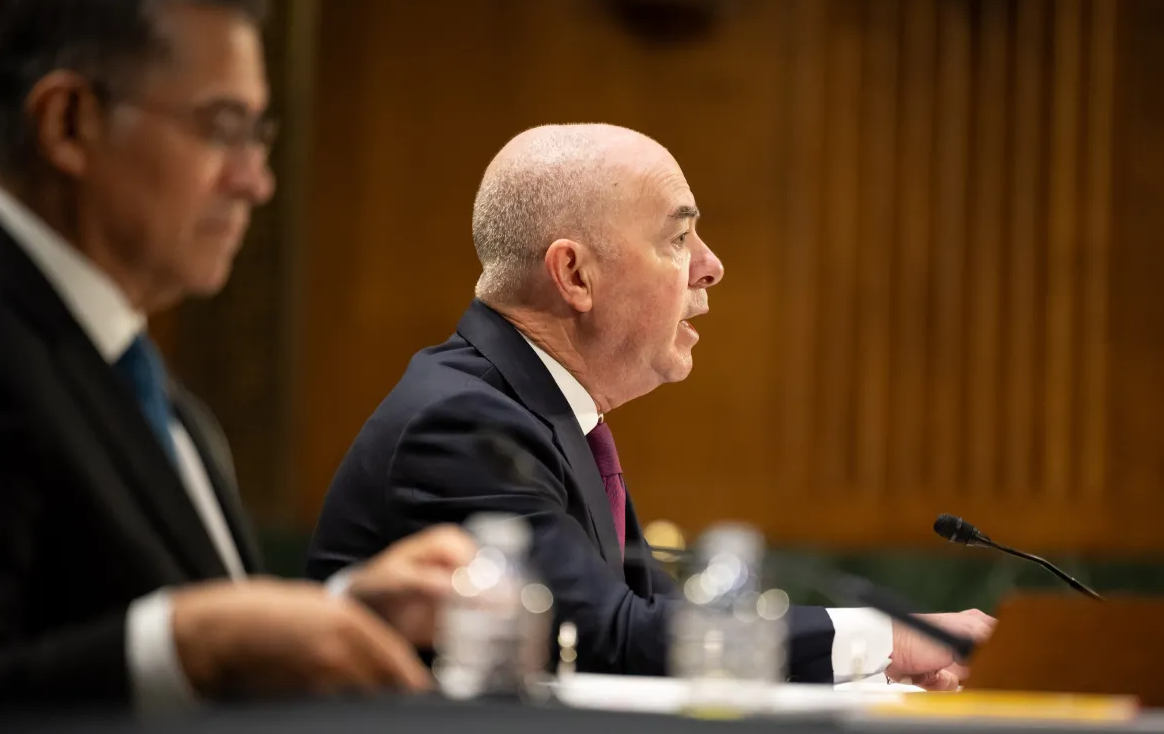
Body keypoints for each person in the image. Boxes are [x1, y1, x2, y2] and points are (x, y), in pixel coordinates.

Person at [307, 123, 995, 687]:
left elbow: (663, 619)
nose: (710, 264)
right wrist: (894, 638)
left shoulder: (540, 409)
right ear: (575, 274)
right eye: (678, 238)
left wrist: (885, 669)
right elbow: (603, 636)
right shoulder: (461, 422)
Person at [0, 0, 475, 714]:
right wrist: (193, 643)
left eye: (259, 135)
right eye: (223, 128)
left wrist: (341, 613)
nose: (257, 181)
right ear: (69, 123)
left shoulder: (141, 378)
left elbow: (156, 610)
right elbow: (179, 635)